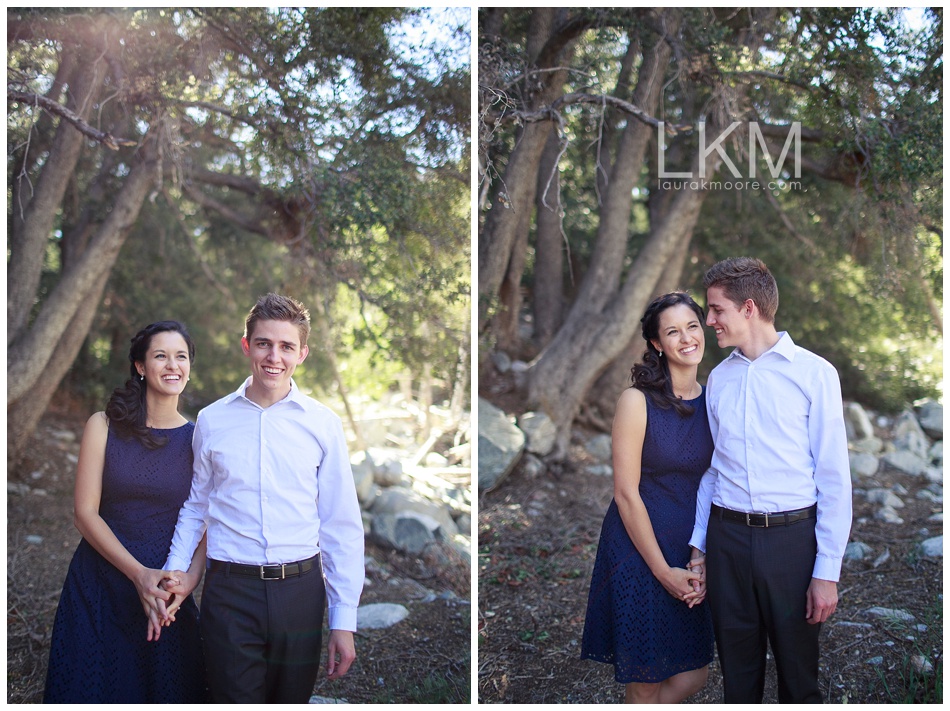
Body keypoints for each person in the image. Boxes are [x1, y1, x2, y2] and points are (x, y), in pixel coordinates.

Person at [158, 292, 365, 704]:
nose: (275, 356)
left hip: (301, 593)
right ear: (247, 345)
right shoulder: (213, 421)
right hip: (230, 591)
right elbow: (197, 506)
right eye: (265, 343)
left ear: (302, 353)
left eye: (287, 346)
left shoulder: (322, 424)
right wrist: (174, 573)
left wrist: (344, 619)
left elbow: (340, 524)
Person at [688, 257, 852, 703]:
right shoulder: (719, 380)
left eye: (717, 310)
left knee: (799, 679)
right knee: (738, 682)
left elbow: (835, 479)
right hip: (728, 542)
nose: (709, 321)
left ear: (747, 309)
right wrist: (700, 548)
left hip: (792, 544)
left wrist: (827, 572)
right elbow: (712, 471)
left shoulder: (815, 373)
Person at [43, 321, 207, 703]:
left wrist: (189, 580)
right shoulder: (102, 425)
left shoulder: (200, 437)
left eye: (180, 356)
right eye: (160, 355)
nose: (172, 365)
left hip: (166, 595)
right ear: (140, 366)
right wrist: (137, 574)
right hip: (98, 585)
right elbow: (84, 513)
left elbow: (205, 523)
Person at [581, 291, 715, 704]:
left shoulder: (716, 397)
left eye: (692, 325)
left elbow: (720, 481)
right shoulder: (636, 401)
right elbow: (625, 493)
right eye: (672, 331)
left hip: (690, 544)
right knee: (646, 677)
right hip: (639, 547)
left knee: (694, 672)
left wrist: (701, 554)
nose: (686, 338)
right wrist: (662, 571)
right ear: (657, 343)